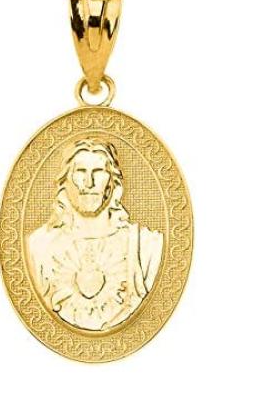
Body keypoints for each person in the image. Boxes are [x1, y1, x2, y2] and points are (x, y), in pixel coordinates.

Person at [27, 138, 163, 331]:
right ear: (65, 180)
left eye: (98, 172)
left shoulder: (147, 246)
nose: (89, 183)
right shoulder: (38, 246)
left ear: (112, 181)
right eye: (80, 172)